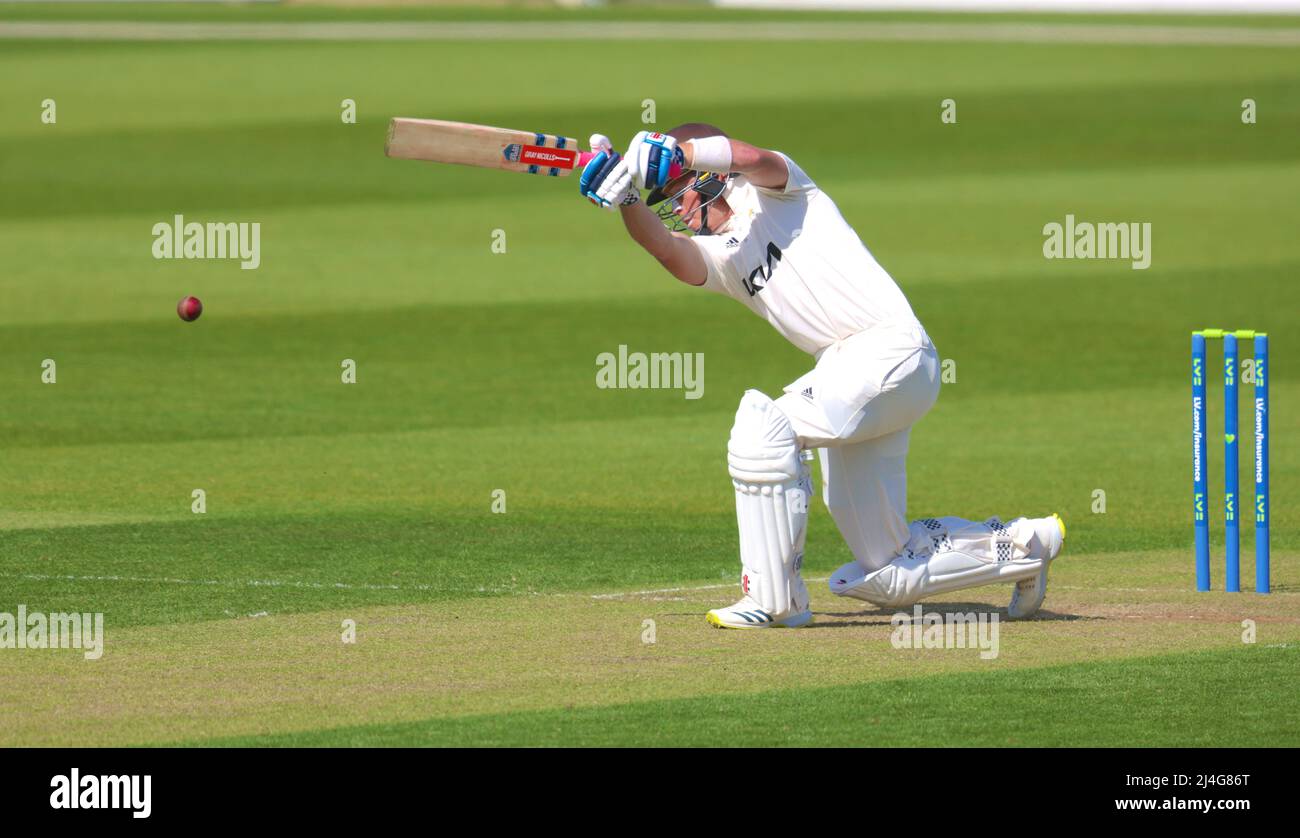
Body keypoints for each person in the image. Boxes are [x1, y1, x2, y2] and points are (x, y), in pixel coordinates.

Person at [578, 123, 1065, 628]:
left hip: (886, 349)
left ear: (705, 177)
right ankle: (1026, 545)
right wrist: (627, 197)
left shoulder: (784, 194)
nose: (675, 211)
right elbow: (663, 248)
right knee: (889, 571)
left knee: (761, 430)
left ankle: (773, 601)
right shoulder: (722, 257)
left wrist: (677, 151)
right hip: (854, 373)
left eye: (676, 194)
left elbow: (753, 157)